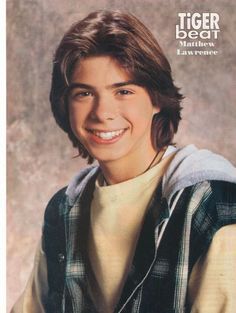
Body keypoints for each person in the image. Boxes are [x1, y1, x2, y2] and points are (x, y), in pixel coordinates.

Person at [12, 10, 236, 313]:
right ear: (65, 103)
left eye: (124, 91)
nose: (102, 112)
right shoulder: (64, 210)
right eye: (84, 93)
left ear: (156, 99)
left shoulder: (211, 203)